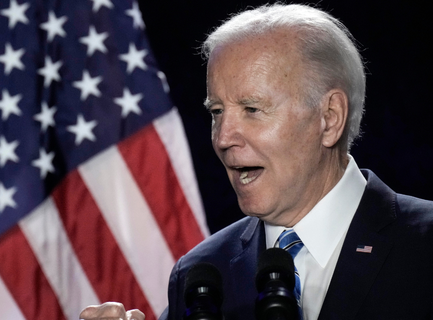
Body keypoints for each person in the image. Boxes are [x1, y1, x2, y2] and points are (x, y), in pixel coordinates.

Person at [80, 3, 433, 320]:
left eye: (252, 109)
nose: (222, 138)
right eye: (217, 112)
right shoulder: (200, 273)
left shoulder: (423, 247)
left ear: (329, 117)